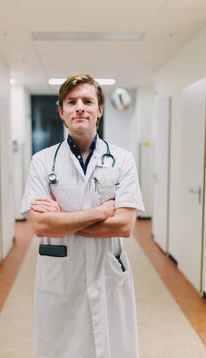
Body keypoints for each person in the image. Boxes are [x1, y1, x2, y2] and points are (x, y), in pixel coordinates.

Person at [21, 73, 145, 358]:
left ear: (99, 110)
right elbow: (40, 225)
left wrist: (63, 220)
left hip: (108, 273)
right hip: (62, 276)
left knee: (113, 348)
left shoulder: (122, 160)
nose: (80, 107)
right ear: (62, 111)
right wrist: (101, 212)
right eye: (72, 101)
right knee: (61, 347)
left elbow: (124, 225)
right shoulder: (42, 161)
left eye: (88, 101)